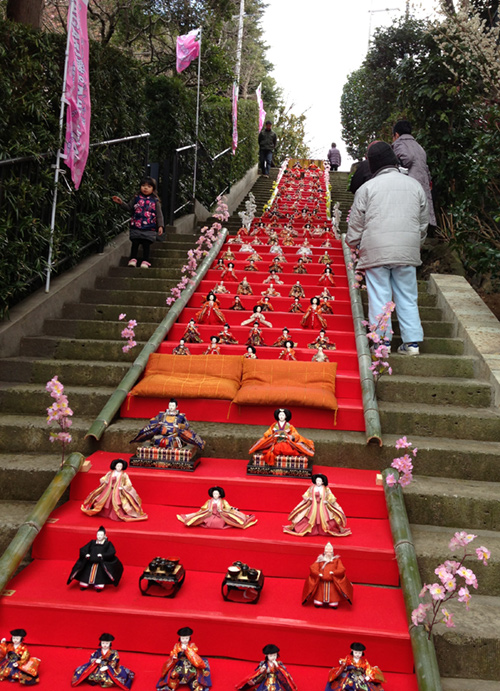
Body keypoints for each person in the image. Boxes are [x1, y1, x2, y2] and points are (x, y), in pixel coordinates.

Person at [346, 141, 428, 355]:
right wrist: (416, 243)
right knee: (407, 294)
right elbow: (422, 222)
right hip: (406, 251)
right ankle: (412, 344)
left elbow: (356, 223)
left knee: (379, 294)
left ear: (373, 165)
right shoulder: (414, 185)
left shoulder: (367, 188)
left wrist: (353, 242)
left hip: (376, 250)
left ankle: (381, 344)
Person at [112, 176, 163, 269]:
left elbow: (159, 214)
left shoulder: (155, 201)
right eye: (143, 185)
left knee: (146, 244)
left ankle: (145, 261)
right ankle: (133, 259)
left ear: (153, 189)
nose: (145, 188)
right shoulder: (136, 198)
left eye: (149, 186)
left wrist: (160, 226)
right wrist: (121, 203)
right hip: (136, 226)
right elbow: (129, 207)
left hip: (149, 227)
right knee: (135, 243)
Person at [392, 120, 436, 226]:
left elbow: (407, 158)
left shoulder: (399, 143)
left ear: (396, 134)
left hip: (408, 185)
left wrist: (399, 166)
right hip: (422, 184)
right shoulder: (419, 147)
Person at [81, 458, 148, 522]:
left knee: (117, 503)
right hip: (109, 490)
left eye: (120, 466)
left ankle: (115, 515)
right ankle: (105, 513)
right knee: (105, 501)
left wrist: (123, 487)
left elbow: (129, 483)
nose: (119, 467)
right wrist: (106, 481)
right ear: (115, 466)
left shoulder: (124, 475)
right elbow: (103, 478)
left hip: (118, 491)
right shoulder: (110, 473)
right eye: (118, 466)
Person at [283, 474, 351, 537]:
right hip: (313, 505)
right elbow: (306, 494)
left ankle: (324, 530)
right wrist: (308, 498)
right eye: (317, 480)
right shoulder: (312, 488)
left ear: (322, 482)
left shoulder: (326, 489)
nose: (318, 482)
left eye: (320, 481)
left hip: (323, 506)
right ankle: (310, 530)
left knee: (326, 518)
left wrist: (327, 501)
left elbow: (331, 496)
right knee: (308, 517)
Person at [130, 399, 206, 452]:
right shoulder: (162, 415)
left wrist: (179, 426)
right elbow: (152, 420)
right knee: (156, 440)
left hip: (173, 436)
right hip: (161, 435)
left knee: (171, 442)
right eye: (170, 405)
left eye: (173, 406)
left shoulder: (181, 416)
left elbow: (186, 425)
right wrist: (158, 424)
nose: (171, 407)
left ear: (176, 406)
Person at [249, 408, 315, 466]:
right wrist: (272, 435)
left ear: (286, 416)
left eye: (283, 415)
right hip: (276, 442)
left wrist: (289, 436)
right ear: (277, 416)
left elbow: (296, 435)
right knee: (274, 449)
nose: (281, 416)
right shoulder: (274, 425)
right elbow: (267, 433)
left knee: (289, 451)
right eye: (280, 415)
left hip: (286, 442)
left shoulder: (289, 426)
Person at [67, 526, 124, 590]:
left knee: (100, 575)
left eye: (101, 535)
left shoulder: (108, 544)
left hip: (100, 563)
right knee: (85, 572)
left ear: (104, 536)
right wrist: (86, 554)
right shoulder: (92, 542)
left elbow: (112, 552)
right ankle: (85, 583)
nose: (99, 536)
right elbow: (83, 549)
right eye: (98, 535)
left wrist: (103, 555)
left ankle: (98, 584)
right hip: (90, 562)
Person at [177, 486, 257, 529]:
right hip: (210, 514)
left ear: (220, 495)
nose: (215, 495)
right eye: (214, 494)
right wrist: (205, 510)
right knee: (201, 519)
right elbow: (204, 507)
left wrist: (221, 510)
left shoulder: (223, 501)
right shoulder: (209, 501)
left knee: (221, 522)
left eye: (217, 494)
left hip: (220, 515)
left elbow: (228, 508)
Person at [302, 542, 353, 609]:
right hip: (321, 582)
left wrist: (334, 573)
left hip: (332, 582)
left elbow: (342, 569)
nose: (328, 553)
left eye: (330, 552)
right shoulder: (320, 560)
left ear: (332, 552)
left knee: (333, 594)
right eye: (327, 552)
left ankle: (333, 602)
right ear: (324, 552)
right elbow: (312, 568)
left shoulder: (337, 561)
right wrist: (318, 573)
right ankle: (318, 601)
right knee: (319, 593)